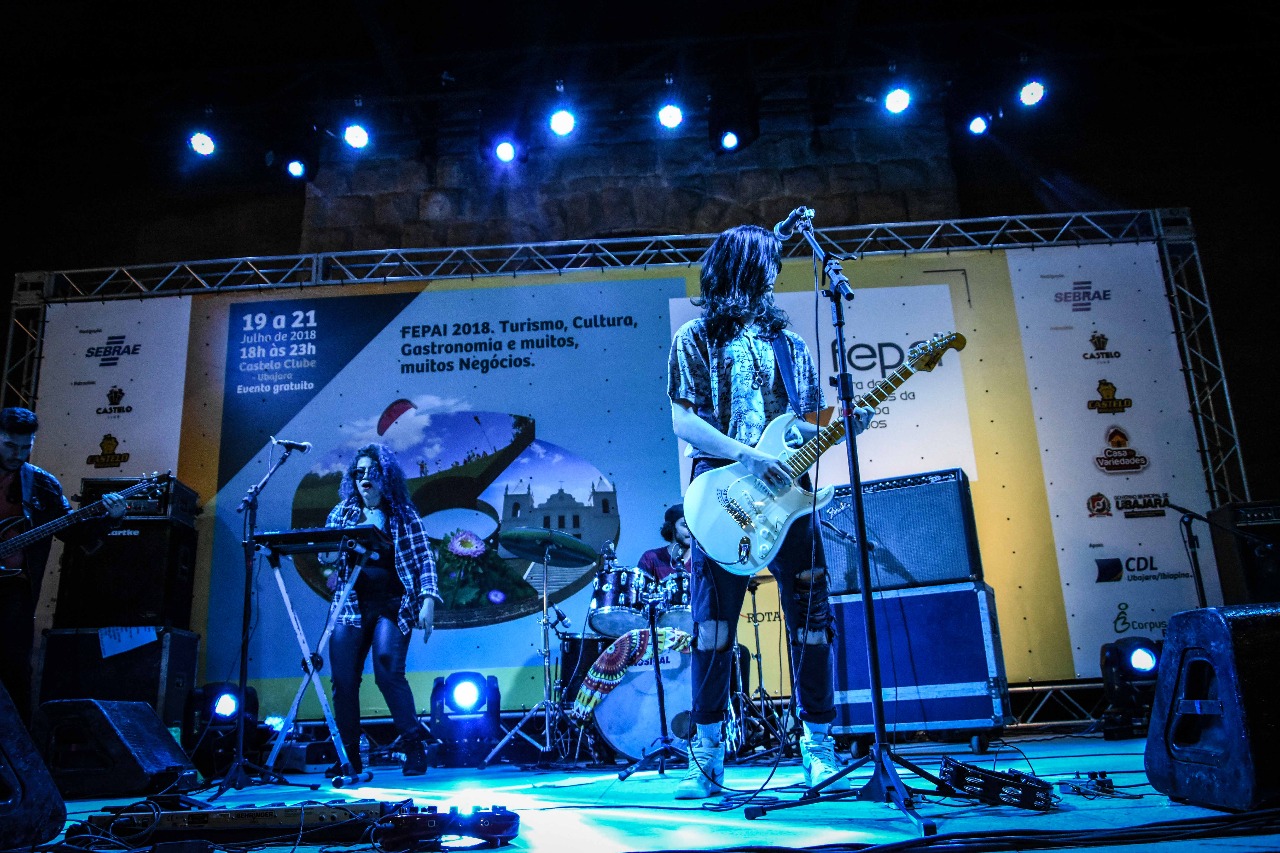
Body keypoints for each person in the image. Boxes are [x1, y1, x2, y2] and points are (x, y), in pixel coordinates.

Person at [666, 223, 874, 799]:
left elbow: (801, 428)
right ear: (742, 268)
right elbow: (684, 421)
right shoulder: (695, 337)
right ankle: (706, 757)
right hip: (722, 496)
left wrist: (844, 426)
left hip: (792, 502)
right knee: (713, 627)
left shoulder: (792, 346)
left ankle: (819, 746)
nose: (775, 277)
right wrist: (748, 456)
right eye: (768, 267)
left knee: (812, 622)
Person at [0, 406, 126, 729]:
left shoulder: (41, 484)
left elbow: (73, 532)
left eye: (25, 447)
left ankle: (18, 752)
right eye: (10, 446)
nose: (18, 454)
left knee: (14, 669)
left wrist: (109, 519)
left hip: (14, 591)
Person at [325, 443, 440, 777]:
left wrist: (428, 600)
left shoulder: (403, 515)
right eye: (358, 472)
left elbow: (425, 559)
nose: (365, 478)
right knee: (343, 680)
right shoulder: (342, 513)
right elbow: (326, 553)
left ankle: (414, 746)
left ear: (385, 477)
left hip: (392, 605)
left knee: (388, 672)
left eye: (372, 472)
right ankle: (348, 756)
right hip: (350, 607)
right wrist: (328, 553)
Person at [636, 503, 691, 583]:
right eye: (685, 525)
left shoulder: (703, 561)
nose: (691, 531)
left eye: (693, 526)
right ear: (671, 527)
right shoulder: (650, 559)